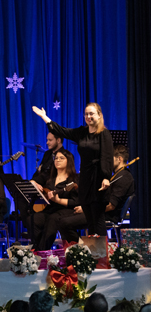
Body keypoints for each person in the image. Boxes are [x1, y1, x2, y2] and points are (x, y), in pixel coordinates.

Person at [33, 103, 114, 236]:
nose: (88, 116)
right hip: (85, 180)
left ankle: (102, 255)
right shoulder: (82, 132)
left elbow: (107, 156)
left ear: (99, 115)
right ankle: (94, 254)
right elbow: (62, 131)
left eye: (91, 114)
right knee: (90, 221)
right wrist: (44, 117)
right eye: (86, 114)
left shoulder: (104, 134)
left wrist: (106, 177)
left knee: (97, 220)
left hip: (98, 180)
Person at [58, 145, 135, 242]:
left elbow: (111, 205)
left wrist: (86, 210)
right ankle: (82, 249)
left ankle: (82, 249)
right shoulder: (116, 175)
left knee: (64, 223)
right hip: (98, 211)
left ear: (119, 159)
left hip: (106, 215)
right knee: (60, 218)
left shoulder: (124, 177)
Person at [28, 149, 79, 250]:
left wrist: (58, 200)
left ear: (69, 161)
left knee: (52, 220)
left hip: (66, 210)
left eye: (61, 158)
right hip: (50, 209)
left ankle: (42, 251)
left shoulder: (74, 179)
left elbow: (75, 202)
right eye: (56, 158)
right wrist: (35, 183)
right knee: (32, 219)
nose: (57, 160)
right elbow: (33, 180)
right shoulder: (49, 176)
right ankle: (37, 246)